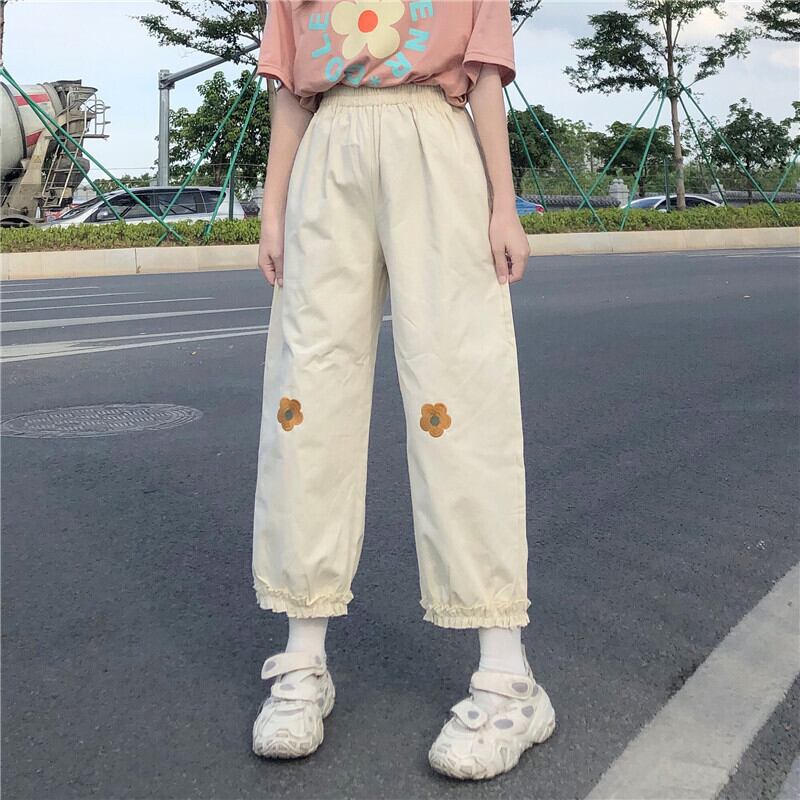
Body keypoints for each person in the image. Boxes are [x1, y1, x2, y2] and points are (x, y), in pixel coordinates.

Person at [250, 0, 556, 780]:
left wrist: (504, 203)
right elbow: (291, 89)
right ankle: (302, 660)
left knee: (460, 395)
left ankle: (508, 676)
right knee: (306, 404)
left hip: (435, 142)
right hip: (327, 154)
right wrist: (272, 207)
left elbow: (484, 78)